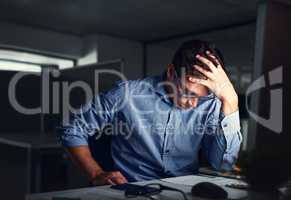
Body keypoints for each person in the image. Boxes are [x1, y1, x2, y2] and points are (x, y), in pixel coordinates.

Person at [58, 40, 242, 185]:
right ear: (171, 72)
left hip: (184, 192)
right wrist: (95, 172)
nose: (194, 104)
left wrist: (231, 101)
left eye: (202, 97)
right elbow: (73, 128)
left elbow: (223, 164)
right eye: (187, 93)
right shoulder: (127, 94)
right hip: (132, 190)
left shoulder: (212, 103)